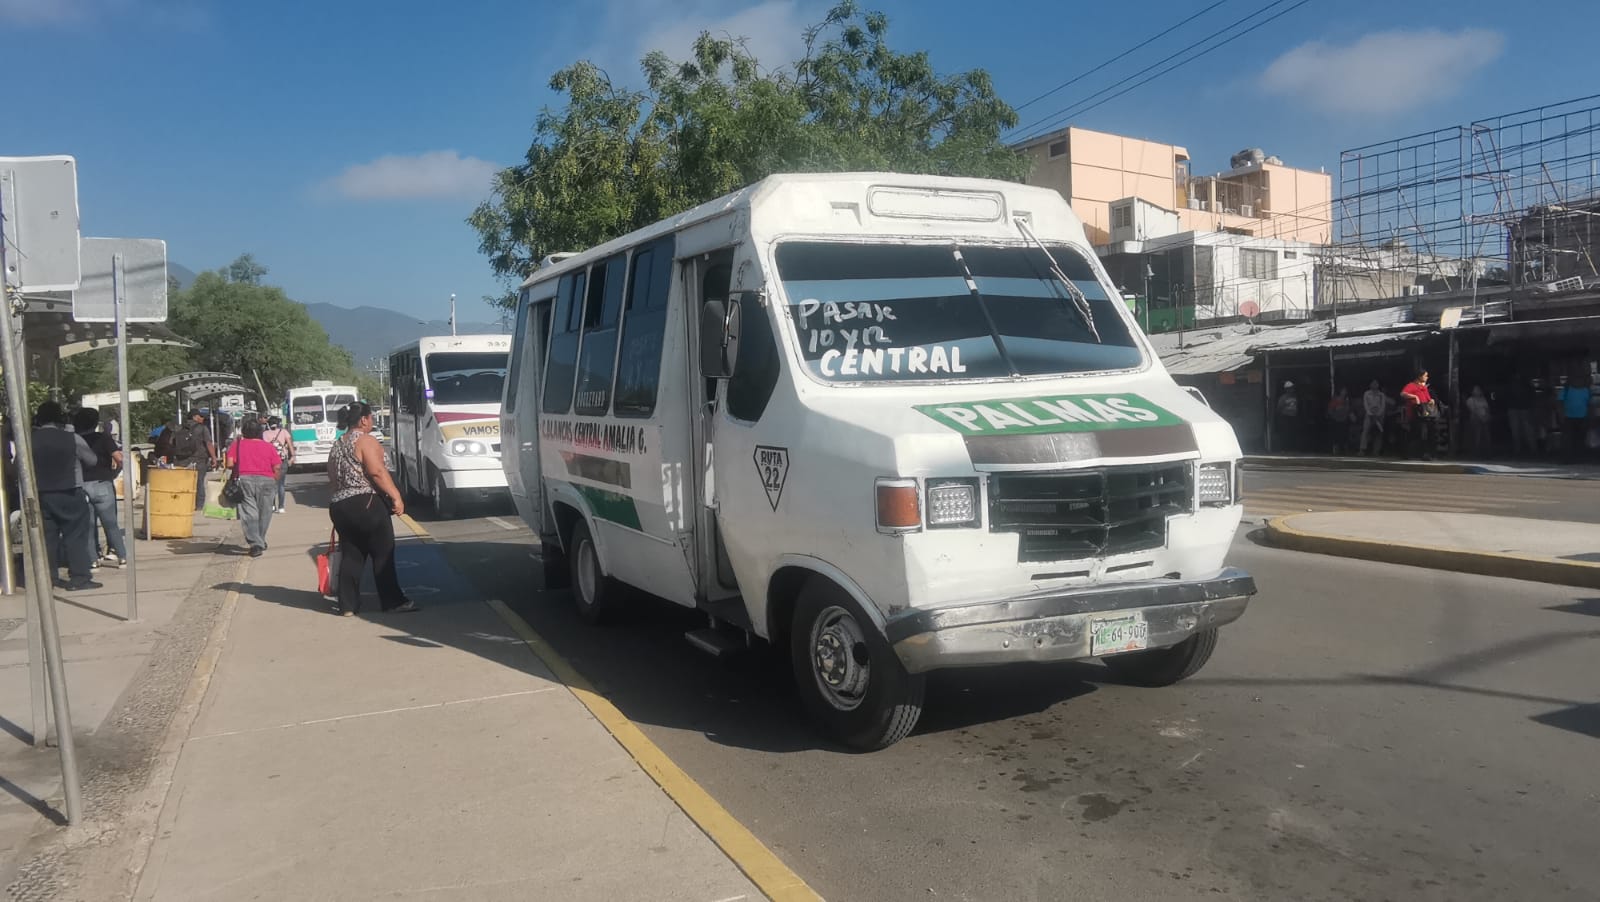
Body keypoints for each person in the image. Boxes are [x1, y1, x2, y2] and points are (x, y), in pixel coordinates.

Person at [326, 402, 415, 616]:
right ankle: (392, 601)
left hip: (339, 505)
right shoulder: (366, 440)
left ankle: (347, 605)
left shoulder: (337, 445)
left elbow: (332, 477)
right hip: (365, 503)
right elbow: (377, 472)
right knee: (383, 552)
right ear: (364, 419)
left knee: (352, 553)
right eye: (371, 417)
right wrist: (396, 497)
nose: (372, 421)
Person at [31, 402, 100, 591]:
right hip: (71, 491)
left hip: (41, 494)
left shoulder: (30, 440)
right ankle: (79, 578)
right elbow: (92, 460)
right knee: (76, 536)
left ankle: (48, 579)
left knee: (47, 539)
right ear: (60, 418)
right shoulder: (72, 438)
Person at [72, 407, 128, 569]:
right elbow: (119, 459)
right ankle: (122, 557)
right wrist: (114, 473)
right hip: (103, 483)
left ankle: (93, 560)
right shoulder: (103, 438)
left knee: (88, 525)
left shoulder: (75, 440)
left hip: (82, 484)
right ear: (96, 422)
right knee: (111, 524)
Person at [225, 419, 283, 557]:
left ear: (244, 432)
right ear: (260, 432)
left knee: (249, 512)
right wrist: (274, 480)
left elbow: (229, 464)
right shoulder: (268, 447)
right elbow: (277, 467)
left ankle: (256, 543)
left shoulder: (237, 445)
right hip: (267, 480)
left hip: (245, 480)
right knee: (265, 512)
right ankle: (260, 540)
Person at [171, 411, 217, 510]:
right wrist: (214, 457)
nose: (203, 418)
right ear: (194, 417)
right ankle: (199, 505)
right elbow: (208, 443)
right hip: (199, 459)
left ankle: (183, 503)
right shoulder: (202, 428)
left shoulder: (179, 428)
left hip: (181, 460)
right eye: (201, 416)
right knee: (199, 482)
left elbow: (172, 443)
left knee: (183, 482)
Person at [261, 415, 295, 513]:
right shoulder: (284, 432)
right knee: (281, 484)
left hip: (270, 461)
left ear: (268, 424)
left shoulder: (265, 434)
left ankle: (272, 505)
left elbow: (263, 448)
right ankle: (281, 507)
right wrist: (292, 456)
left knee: (272, 484)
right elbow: (290, 444)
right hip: (282, 460)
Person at [1400, 370, 1436, 460]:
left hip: (1424, 414)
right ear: (1420, 376)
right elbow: (1403, 394)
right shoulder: (1411, 385)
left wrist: (1431, 400)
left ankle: (1424, 453)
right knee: (1415, 434)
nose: (1427, 377)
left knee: (1424, 433)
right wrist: (1414, 397)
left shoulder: (1424, 388)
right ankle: (1408, 452)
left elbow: (1428, 399)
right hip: (1415, 414)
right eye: (1425, 376)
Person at [1556, 370, 1592, 462]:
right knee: (1567, 439)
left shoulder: (1586, 391)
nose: (1578, 381)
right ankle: (1567, 458)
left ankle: (1579, 457)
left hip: (1582, 418)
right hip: (1568, 418)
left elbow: (1589, 405)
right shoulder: (1566, 390)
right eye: (1576, 378)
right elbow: (1560, 404)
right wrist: (1561, 416)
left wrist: (1589, 417)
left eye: (1580, 379)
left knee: (1580, 438)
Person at [1359, 380, 1387, 455]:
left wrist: (1378, 415)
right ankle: (1362, 450)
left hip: (1379, 416)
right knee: (1365, 431)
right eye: (1373, 383)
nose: (1374, 384)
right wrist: (1370, 414)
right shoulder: (1366, 393)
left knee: (1378, 433)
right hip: (1369, 415)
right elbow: (1365, 404)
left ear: (1378, 385)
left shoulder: (1381, 395)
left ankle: (1376, 450)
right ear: (1370, 384)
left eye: (1376, 383)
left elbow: (1383, 406)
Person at [1465, 386, 1492, 457]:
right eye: (1476, 390)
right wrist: (1481, 417)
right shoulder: (1470, 400)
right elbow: (1473, 410)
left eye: (1479, 389)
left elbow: (1487, 409)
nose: (1478, 391)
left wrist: (1487, 416)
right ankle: (1476, 453)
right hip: (1476, 419)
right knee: (1477, 436)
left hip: (1485, 418)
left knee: (1487, 435)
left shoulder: (1483, 399)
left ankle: (1487, 453)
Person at [1274, 381, 1300, 453]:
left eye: (1292, 388)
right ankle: (1284, 449)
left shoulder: (1295, 397)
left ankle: (1292, 448)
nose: (1292, 389)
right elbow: (1279, 408)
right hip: (1285, 418)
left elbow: (1297, 406)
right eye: (1290, 388)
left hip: (1293, 417)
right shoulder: (1283, 398)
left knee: (1292, 433)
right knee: (1285, 433)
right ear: (1286, 389)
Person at [1326, 387, 1353, 455]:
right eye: (1343, 390)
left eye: (1345, 391)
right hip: (1336, 419)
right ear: (1340, 391)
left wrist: (1351, 415)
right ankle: (1335, 449)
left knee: (1344, 435)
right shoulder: (1335, 399)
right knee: (1336, 434)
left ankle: (1345, 450)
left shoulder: (1347, 400)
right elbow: (1330, 410)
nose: (1344, 392)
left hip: (1344, 419)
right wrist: (1336, 410)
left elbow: (1349, 410)